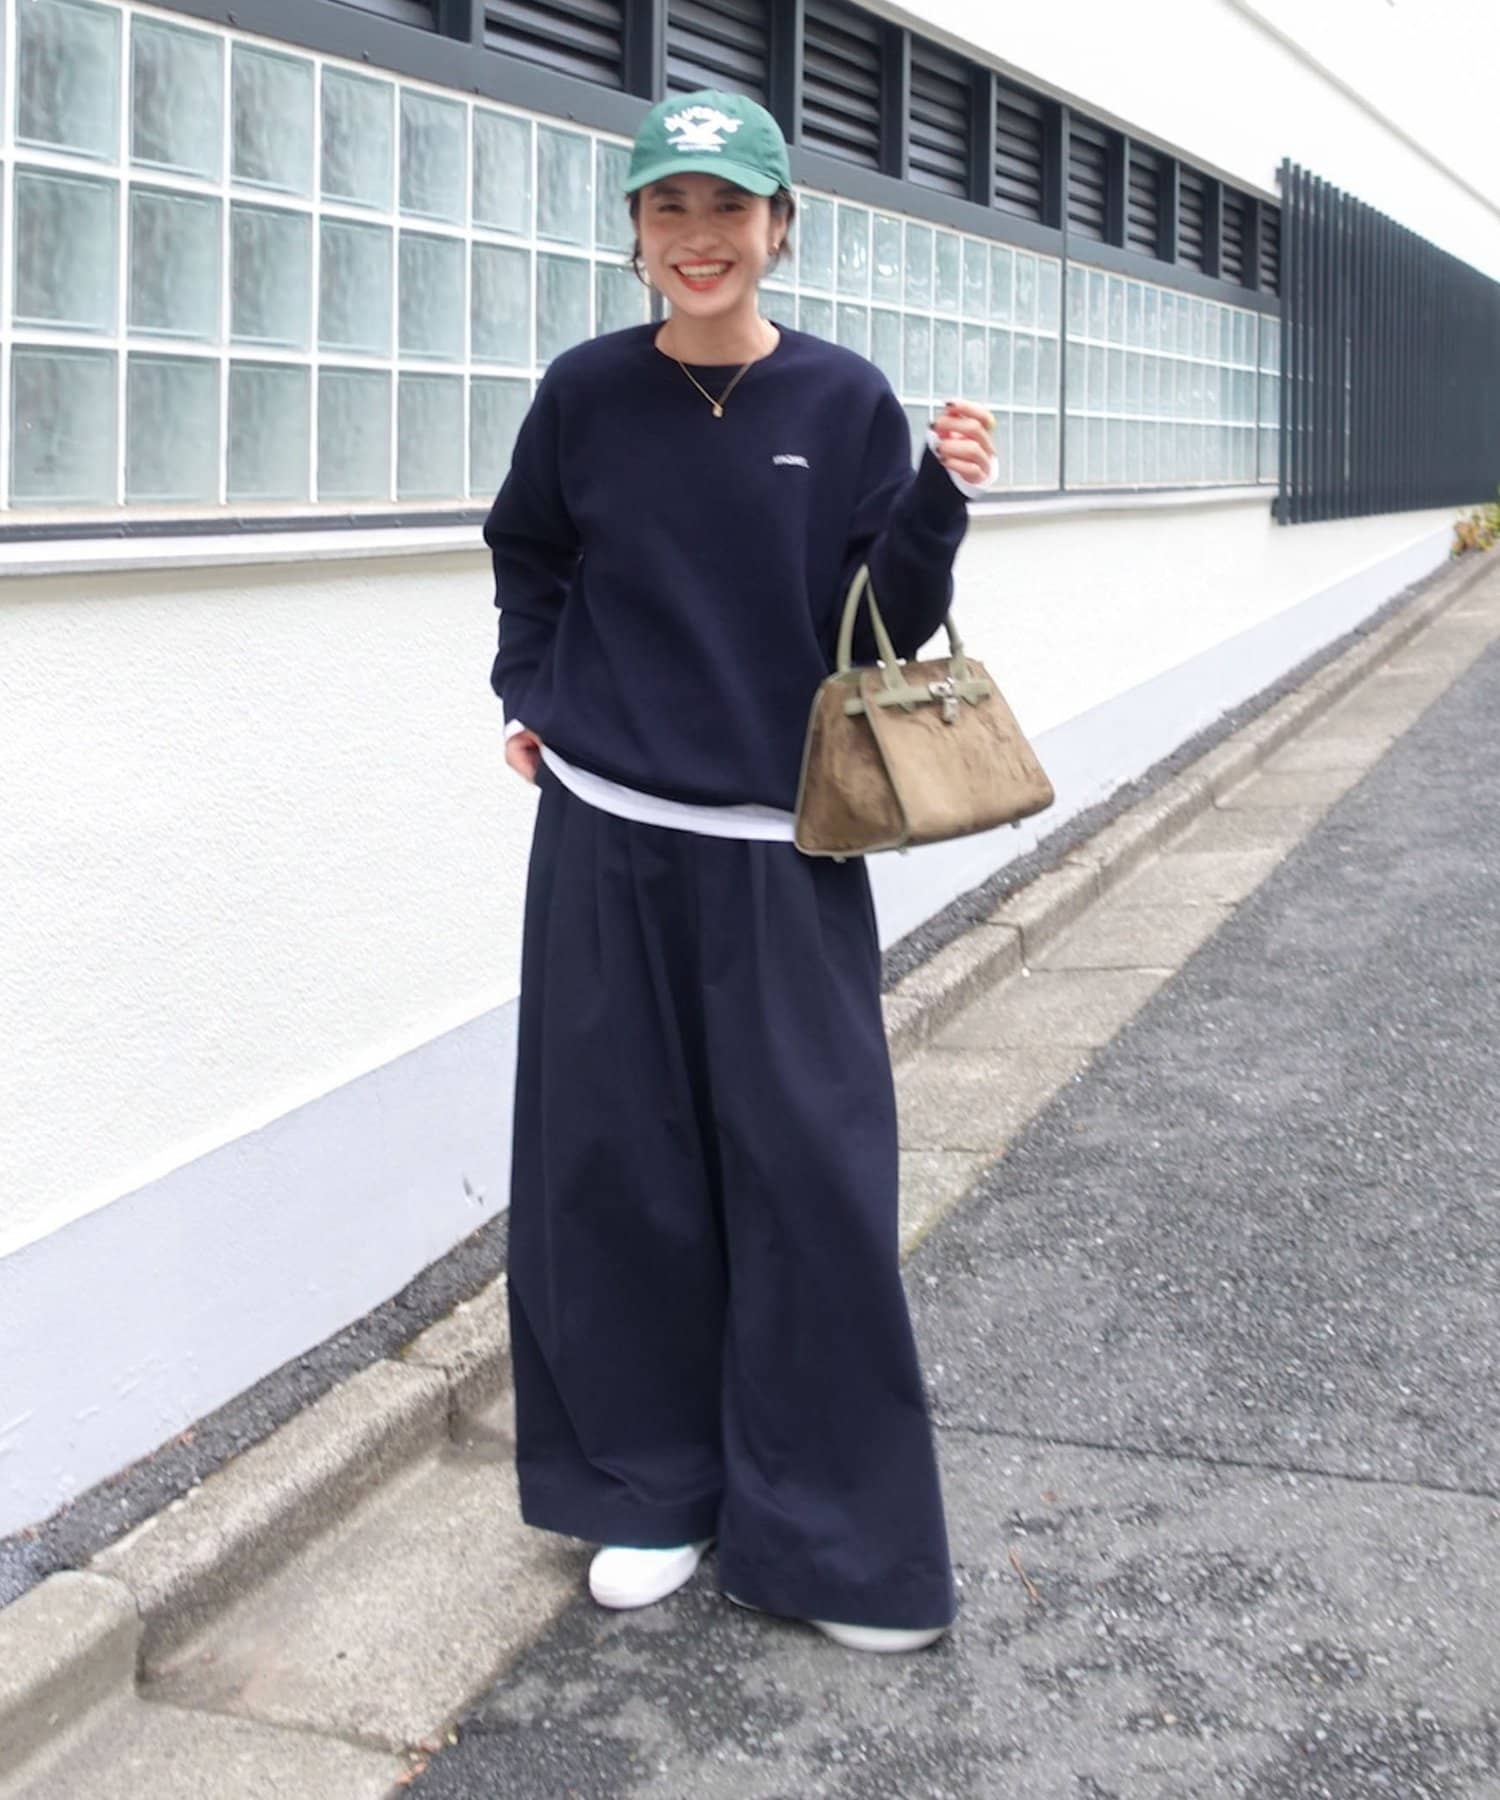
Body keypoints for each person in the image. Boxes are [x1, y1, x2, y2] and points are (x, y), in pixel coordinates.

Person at [485, 88, 997, 1655]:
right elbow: (529, 555)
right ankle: (649, 1489)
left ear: (781, 227)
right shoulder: (584, 393)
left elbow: (879, 624)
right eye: (669, 207)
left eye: (728, 208)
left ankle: (836, 1542)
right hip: (606, 837)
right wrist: (533, 695)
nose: (698, 237)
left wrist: (939, 502)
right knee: (612, 1176)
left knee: (811, 1186)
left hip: (782, 848)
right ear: (637, 233)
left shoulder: (842, 399)